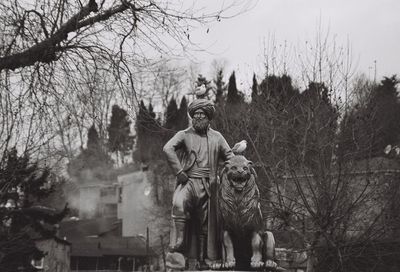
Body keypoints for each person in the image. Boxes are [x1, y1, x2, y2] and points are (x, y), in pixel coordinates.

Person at [163, 98, 233, 268]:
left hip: (209, 186)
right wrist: (179, 172)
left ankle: (202, 259)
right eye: (196, 114)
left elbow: (230, 157)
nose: (199, 117)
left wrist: (234, 169)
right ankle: (179, 242)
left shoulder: (217, 137)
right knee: (179, 204)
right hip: (188, 181)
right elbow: (167, 148)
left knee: (205, 225)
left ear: (209, 117)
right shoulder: (184, 134)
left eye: (202, 114)